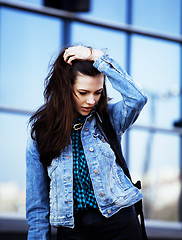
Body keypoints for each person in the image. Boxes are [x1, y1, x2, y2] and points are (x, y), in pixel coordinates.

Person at [26, 45, 148, 240]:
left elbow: (137, 98)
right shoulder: (41, 134)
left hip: (120, 224)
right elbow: (37, 207)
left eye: (97, 92)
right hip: (73, 232)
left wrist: (96, 56)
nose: (91, 100)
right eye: (83, 92)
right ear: (65, 89)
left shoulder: (108, 118)